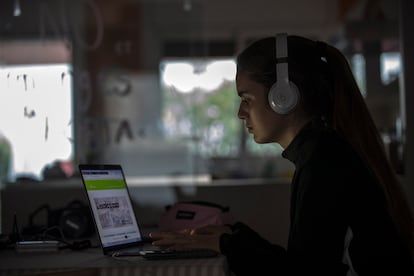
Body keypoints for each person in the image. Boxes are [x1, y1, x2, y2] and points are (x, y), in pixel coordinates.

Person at [149, 33, 414, 276]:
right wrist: (231, 237)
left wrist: (229, 243)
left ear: (283, 95)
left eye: (247, 98)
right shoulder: (323, 153)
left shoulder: (323, 164)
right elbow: (305, 263)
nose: (241, 113)